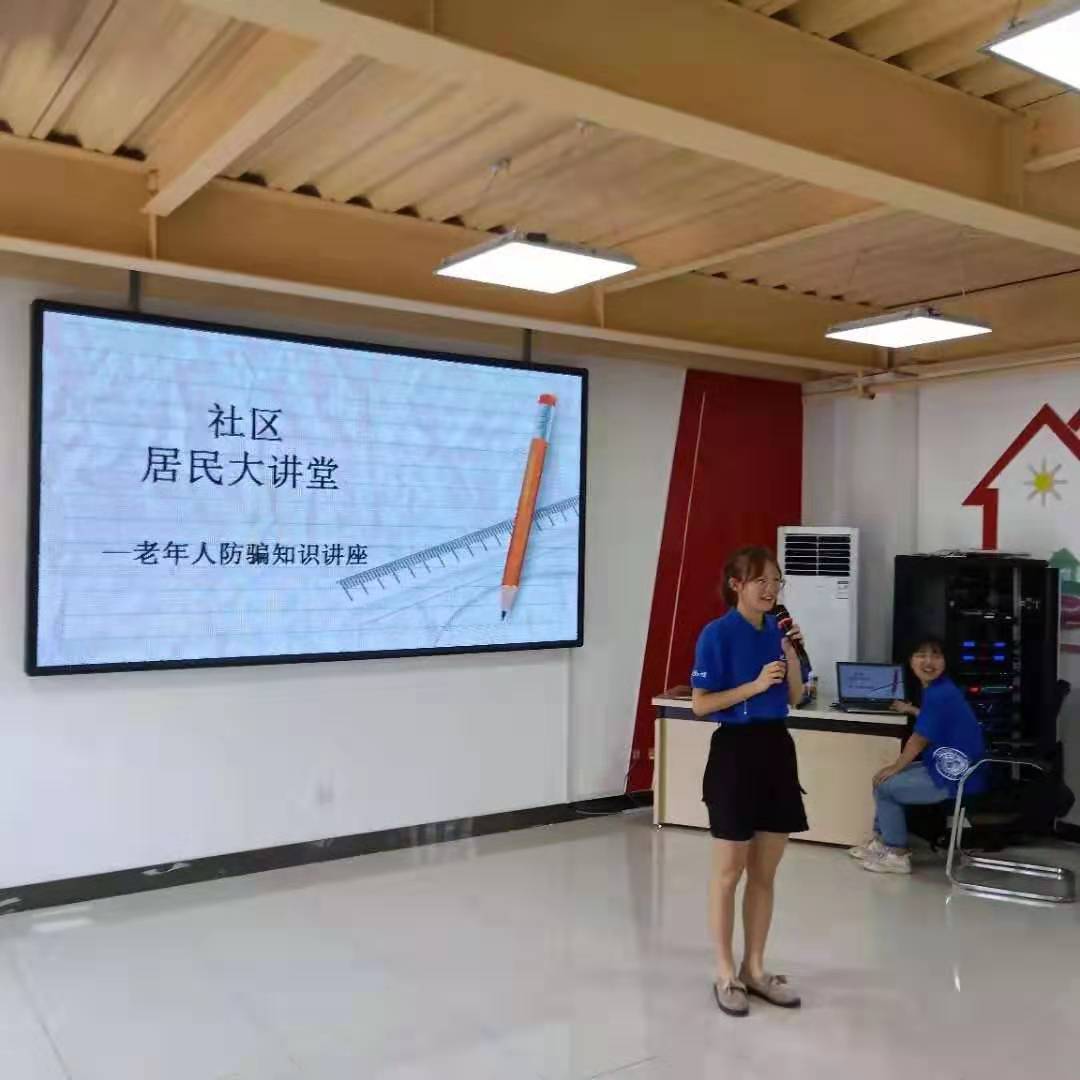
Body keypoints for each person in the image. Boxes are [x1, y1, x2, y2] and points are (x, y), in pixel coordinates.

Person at [690, 545, 809, 1019]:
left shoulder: (779, 633)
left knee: (764, 873)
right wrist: (755, 686)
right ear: (736, 585)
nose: (770, 589)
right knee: (729, 872)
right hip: (735, 753)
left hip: (777, 750)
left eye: (777, 581)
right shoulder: (716, 634)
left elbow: (796, 696)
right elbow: (701, 703)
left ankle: (755, 968)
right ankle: (725, 972)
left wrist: (792, 656)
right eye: (761, 580)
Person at [851, 635, 987, 875]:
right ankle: (882, 842)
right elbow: (933, 718)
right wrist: (910, 709)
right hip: (948, 765)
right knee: (881, 779)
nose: (928, 662)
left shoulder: (940, 693)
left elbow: (919, 738)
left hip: (957, 775)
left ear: (945, 660)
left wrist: (896, 766)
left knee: (886, 785)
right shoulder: (939, 688)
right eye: (921, 655)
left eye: (935, 655)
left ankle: (897, 855)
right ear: (911, 660)